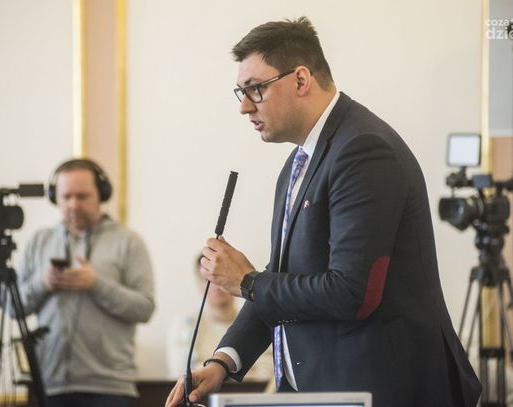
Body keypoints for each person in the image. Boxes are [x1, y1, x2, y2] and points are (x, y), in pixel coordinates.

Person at [166, 16, 482, 407]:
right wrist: (223, 361)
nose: (245, 107)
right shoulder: (297, 163)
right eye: (240, 93)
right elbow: (284, 277)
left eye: (255, 89)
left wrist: (247, 282)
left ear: (301, 80)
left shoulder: (364, 150)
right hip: (322, 390)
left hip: (382, 388)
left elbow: (351, 292)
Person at [17, 158, 155, 407]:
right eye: (66, 196)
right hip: (48, 385)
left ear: (101, 194)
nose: (73, 204)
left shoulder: (128, 242)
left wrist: (96, 284)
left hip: (110, 389)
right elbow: (11, 306)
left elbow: (144, 308)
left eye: (82, 196)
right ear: (55, 197)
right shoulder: (39, 242)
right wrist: (43, 283)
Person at [166, 255, 273, 384]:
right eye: (208, 279)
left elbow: (269, 370)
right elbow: (182, 372)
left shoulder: (258, 322)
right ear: (200, 284)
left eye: (220, 277)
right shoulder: (186, 324)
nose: (216, 285)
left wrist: (215, 373)